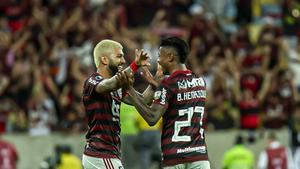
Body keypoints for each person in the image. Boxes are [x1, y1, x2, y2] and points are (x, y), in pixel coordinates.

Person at [127, 37, 211, 169]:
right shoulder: (200, 81)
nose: (158, 60)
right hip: (199, 155)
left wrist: (129, 89)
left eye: (160, 56)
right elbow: (180, 97)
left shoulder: (168, 84)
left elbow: (152, 118)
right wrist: (157, 86)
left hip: (174, 158)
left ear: (170, 57)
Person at [81, 39, 151, 169]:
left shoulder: (118, 88)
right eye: (119, 56)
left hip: (108, 153)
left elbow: (142, 101)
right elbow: (109, 84)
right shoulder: (92, 81)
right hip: (100, 153)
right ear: (104, 60)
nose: (123, 61)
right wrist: (135, 65)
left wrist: (155, 83)